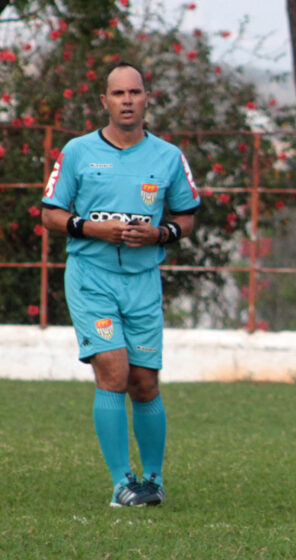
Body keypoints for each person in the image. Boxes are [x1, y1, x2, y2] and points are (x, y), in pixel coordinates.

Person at [41, 61, 200, 507]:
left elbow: (186, 218)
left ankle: (152, 481)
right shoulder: (77, 152)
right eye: (118, 93)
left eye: (135, 92)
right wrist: (93, 228)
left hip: (142, 282)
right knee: (114, 372)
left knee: (145, 382)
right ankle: (121, 483)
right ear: (104, 102)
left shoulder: (168, 157)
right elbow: (50, 213)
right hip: (92, 279)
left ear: (147, 98)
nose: (127, 100)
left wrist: (160, 233)